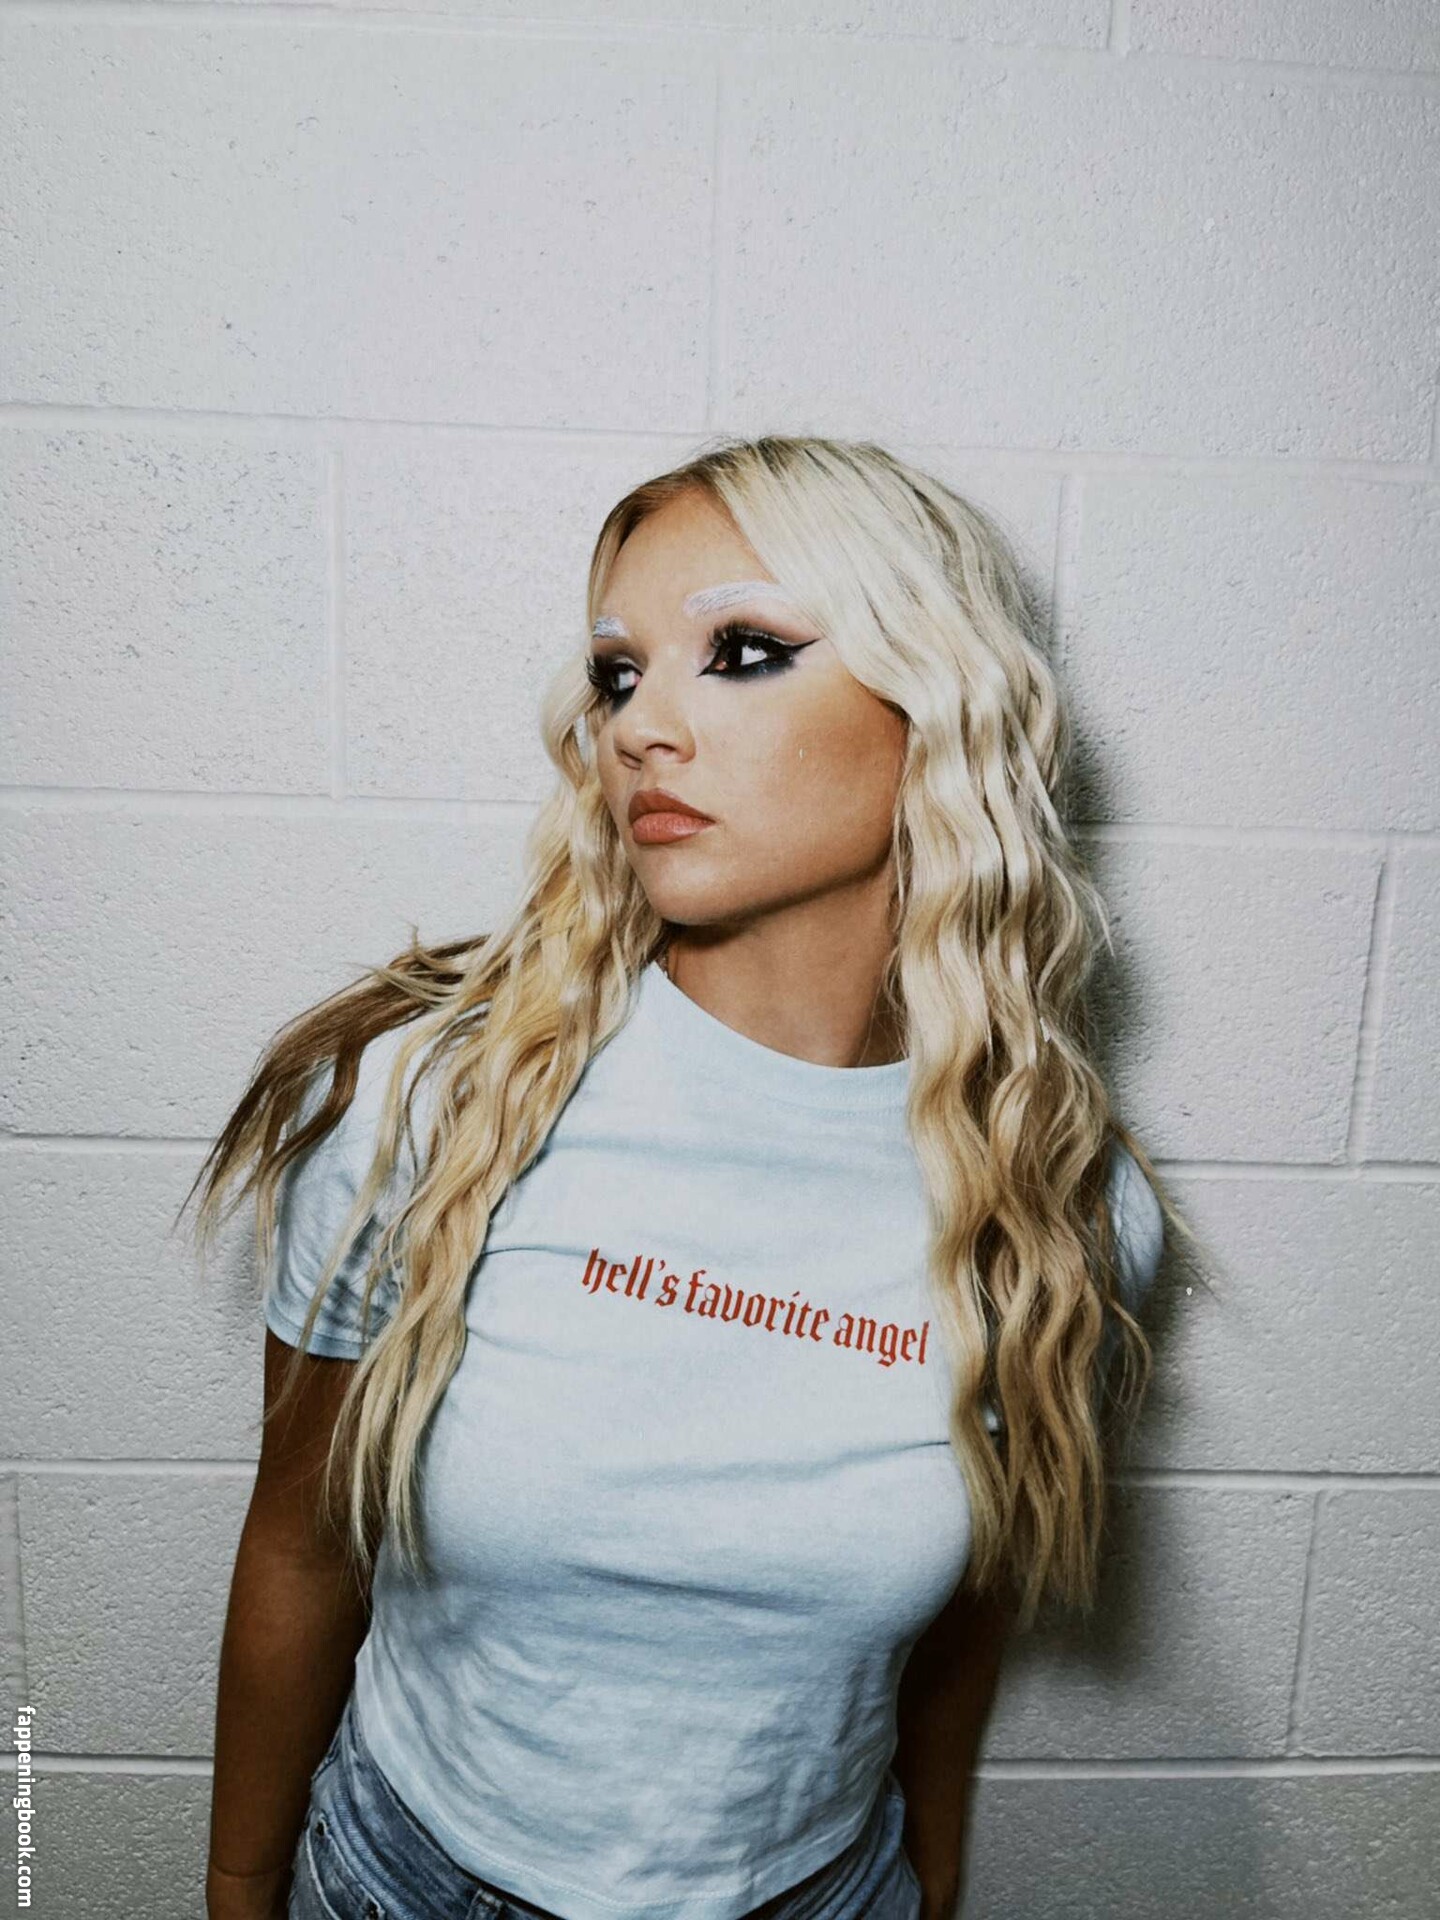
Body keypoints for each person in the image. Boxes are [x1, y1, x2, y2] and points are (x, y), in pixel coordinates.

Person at [190, 434, 1191, 1920]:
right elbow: (298, 1542)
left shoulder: (1059, 1202)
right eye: (617, 674)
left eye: (742, 652)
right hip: (405, 1883)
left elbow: (960, 1618)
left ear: (936, 703)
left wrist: (932, 1878)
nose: (641, 727)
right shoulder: (438, 1103)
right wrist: (237, 1891)